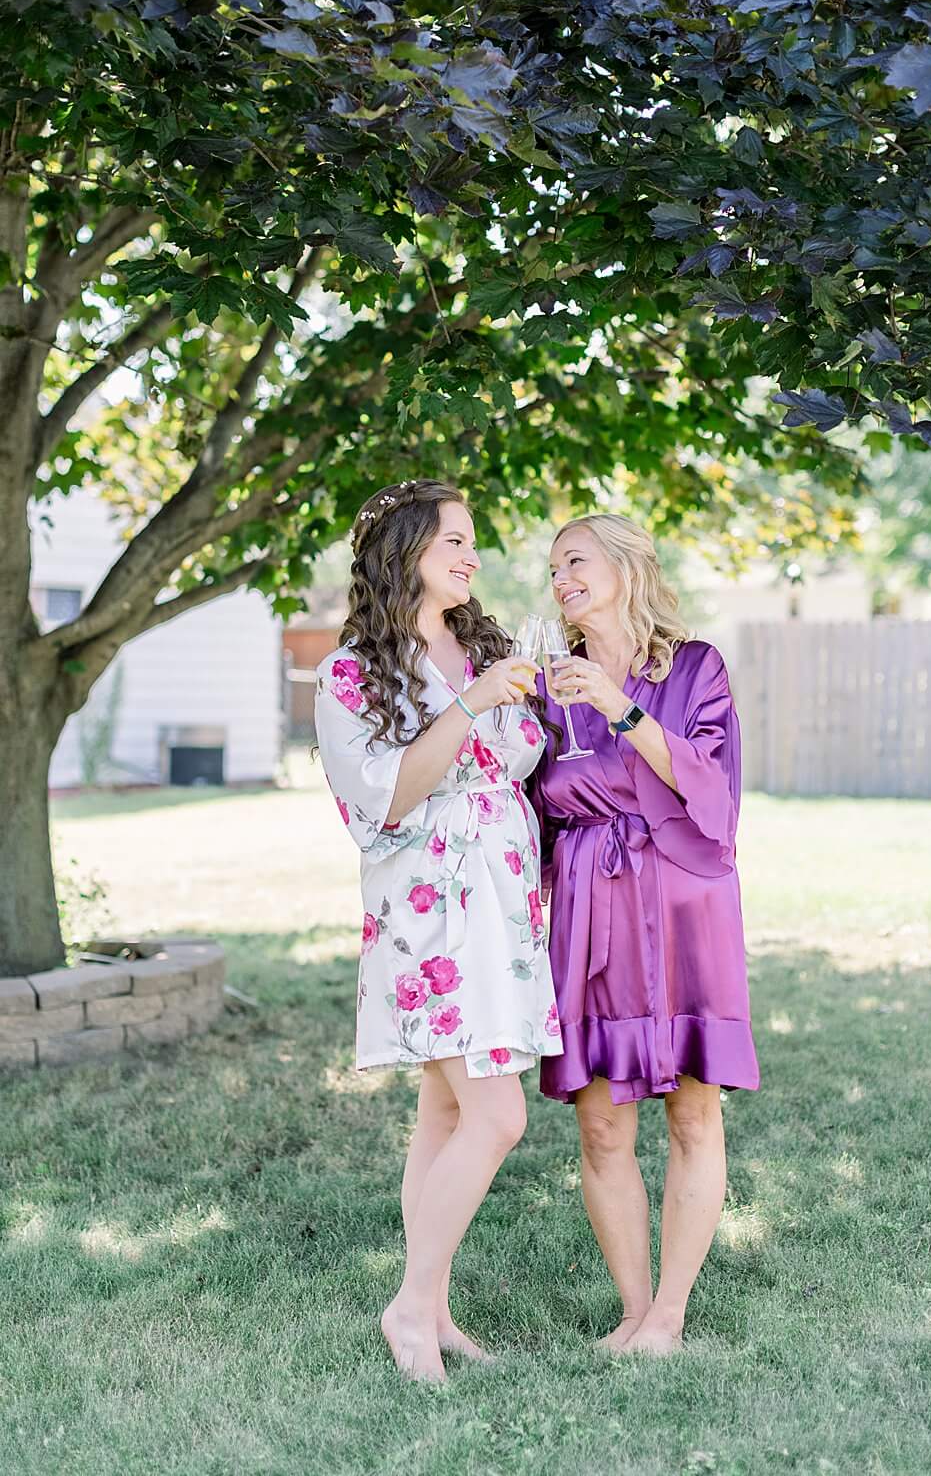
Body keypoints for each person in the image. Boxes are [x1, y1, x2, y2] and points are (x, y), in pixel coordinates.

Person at [314, 478, 558, 1380]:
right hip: (428, 914)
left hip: (501, 906)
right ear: (406, 551)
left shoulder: (482, 645)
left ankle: (438, 1305)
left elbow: (524, 757)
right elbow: (384, 795)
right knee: (498, 1115)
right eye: (454, 539)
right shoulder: (351, 674)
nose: (472, 555)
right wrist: (474, 701)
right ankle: (410, 1309)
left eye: (473, 541)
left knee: (445, 1111)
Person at [528, 513, 758, 1353]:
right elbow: (536, 796)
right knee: (601, 1123)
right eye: (553, 570)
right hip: (593, 905)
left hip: (684, 903)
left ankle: (672, 1310)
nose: (561, 580)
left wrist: (623, 710)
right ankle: (633, 1310)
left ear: (625, 567)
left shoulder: (697, 668)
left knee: (694, 1115)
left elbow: (710, 788)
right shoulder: (547, 685)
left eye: (575, 561)